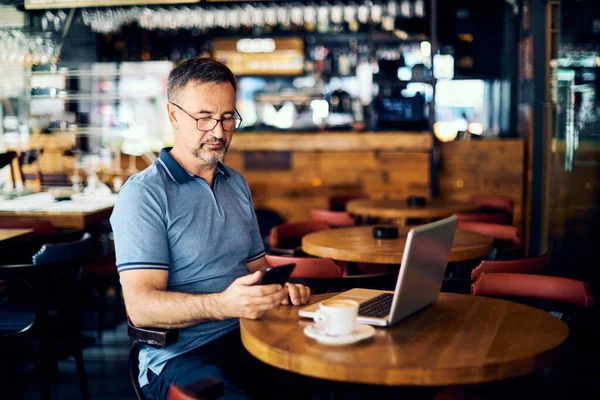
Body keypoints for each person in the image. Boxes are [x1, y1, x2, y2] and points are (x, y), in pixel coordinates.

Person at [110, 58, 311, 400]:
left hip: (251, 334)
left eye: (228, 117)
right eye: (204, 118)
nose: (218, 132)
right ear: (173, 115)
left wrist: (281, 289)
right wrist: (222, 305)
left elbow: (257, 270)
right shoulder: (143, 195)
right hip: (179, 357)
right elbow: (141, 307)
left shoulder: (235, 183)